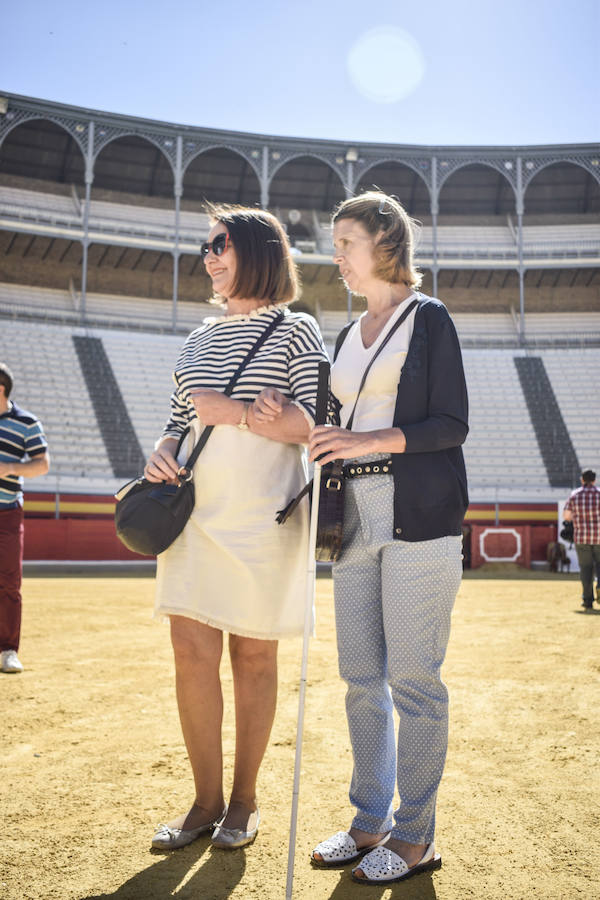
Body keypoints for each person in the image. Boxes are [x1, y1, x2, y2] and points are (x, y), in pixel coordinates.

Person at [144, 206, 329, 851]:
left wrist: (237, 414)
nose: (209, 255)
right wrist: (161, 452)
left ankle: (244, 804)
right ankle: (203, 802)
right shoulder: (196, 338)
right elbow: (180, 420)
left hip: (263, 513)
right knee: (190, 655)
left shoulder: (296, 329)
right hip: (193, 512)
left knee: (254, 657)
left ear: (256, 252)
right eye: (205, 246)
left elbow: (313, 425)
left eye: (220, 244)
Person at [308, 192, 468, 885]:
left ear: (387, 244)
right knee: (359, 679)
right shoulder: (346, 335)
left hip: (419, 511)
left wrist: (366, 437)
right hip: (352, 512)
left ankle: (415, 836)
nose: (336, 255)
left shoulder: (428, 319)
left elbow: (450, 424)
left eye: (347, 242)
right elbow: (331, 417)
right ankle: (368, 820)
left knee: (414, 681)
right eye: (335, 243)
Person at [0, 363, 50, 674]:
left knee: (9, 582)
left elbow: (42, 464)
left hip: (7, 510)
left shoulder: (27, 423)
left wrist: (9, 468)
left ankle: (7, 650)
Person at [563, 469, 600, 610]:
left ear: (582, 480)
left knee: (586, 569)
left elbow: (566, 516)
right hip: (599, 536)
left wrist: (578, 518)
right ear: (594, 480)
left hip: (582, 537)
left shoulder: (575, 495)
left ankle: (587, 600)